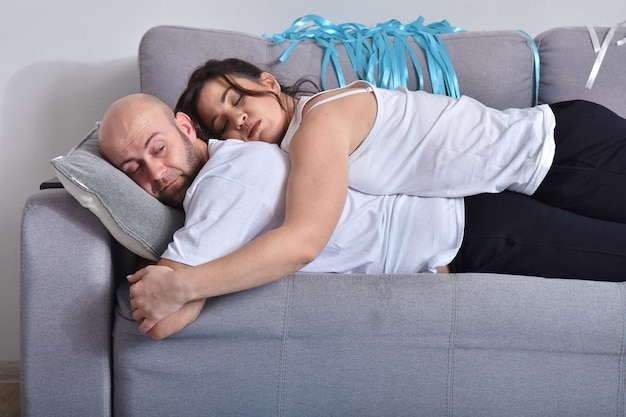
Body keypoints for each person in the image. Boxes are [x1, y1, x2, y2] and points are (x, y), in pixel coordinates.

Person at [100, 92, 626, 340]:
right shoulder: (236, 173)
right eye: (133, 170)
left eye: (158, 147)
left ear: (187, 129)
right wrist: (184, 286)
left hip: (473, 235)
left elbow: (164, 314)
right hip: (475, 217)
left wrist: (181, 285)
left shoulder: (227, 179)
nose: (156, 172)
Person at [177, 58, 626, 223]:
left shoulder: (318, 122)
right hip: (540, 174)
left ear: (269, 83)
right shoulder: (298, 142)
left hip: (560, 150)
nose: (237, 119)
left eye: (236, 98)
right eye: (220, 125)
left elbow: (305, 238)